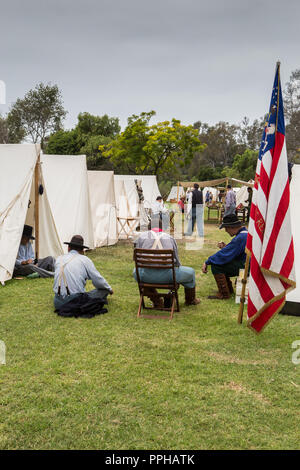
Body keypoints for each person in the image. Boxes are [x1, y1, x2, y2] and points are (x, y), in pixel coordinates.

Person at [133, 217, 200, 306]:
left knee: (135, 272)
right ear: (162, 228)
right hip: (168, 276)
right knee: (190, 273)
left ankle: (156, 300)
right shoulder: (169, 238)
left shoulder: (141, 237)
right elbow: (176, 262)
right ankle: (190, 300)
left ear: (149, 228)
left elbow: (136, 259)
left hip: (145, 276)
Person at [53, 235, 113, 312]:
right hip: (74, 301)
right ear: (82, 250)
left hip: (57, 302)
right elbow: (98, 280)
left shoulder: (59, 259)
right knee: (104, 290)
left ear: (68, 248)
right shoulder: (85, 260)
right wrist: (109, 289)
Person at [202, 214, 248, 299]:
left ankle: (224, 294)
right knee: (221, 263)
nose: (226, 231)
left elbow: (224, 255)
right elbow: (236, 251)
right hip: (247, 264)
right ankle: (228, 289)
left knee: (216, 265)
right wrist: (226, 246)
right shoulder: (244, 234)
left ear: (231, 227)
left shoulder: (241, 237)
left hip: (246, 267)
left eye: (226, 228)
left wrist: (208, 261)